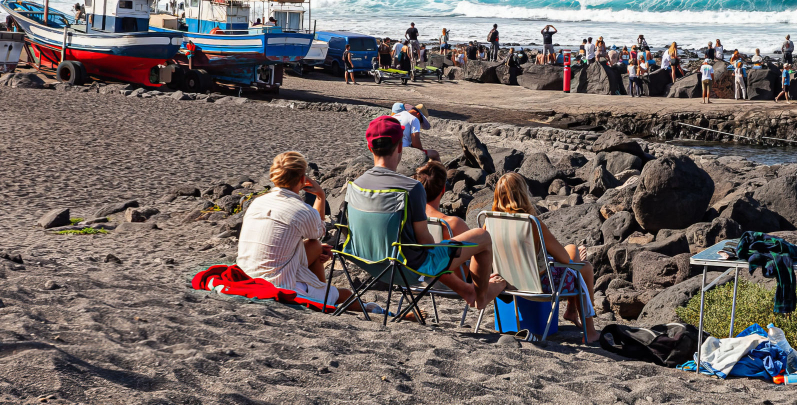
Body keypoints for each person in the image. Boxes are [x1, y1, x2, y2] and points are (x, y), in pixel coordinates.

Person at [353, 115, 505, 309]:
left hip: (370, 262)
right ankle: (480, 297)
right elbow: (425, 243)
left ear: (370, 147)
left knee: (426, 250)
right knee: (482, 236)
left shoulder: (355, 186)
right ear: (400, 147)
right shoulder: (411, 188)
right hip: (408, 268)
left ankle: (468, 291)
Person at [486, 173, 599, 342]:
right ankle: (589, 331)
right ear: (523, 194)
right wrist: (575, 261)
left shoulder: (489, 222)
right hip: (538, 285)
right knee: (585, 267)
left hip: (507, 281)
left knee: (573, 250)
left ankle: (572, 311)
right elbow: (564, 260)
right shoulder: (531, 223)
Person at [237, 151, 354, 311]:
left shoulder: (257, 203)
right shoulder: (301, 210)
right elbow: (319, 232)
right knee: (345, 294)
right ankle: (325, 297)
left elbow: (314, 240)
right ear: (302, 179)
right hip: (277, 284)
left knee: (315, 246)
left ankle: (322, 291)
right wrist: (320, 195)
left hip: (246, 275)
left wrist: (317, 247)